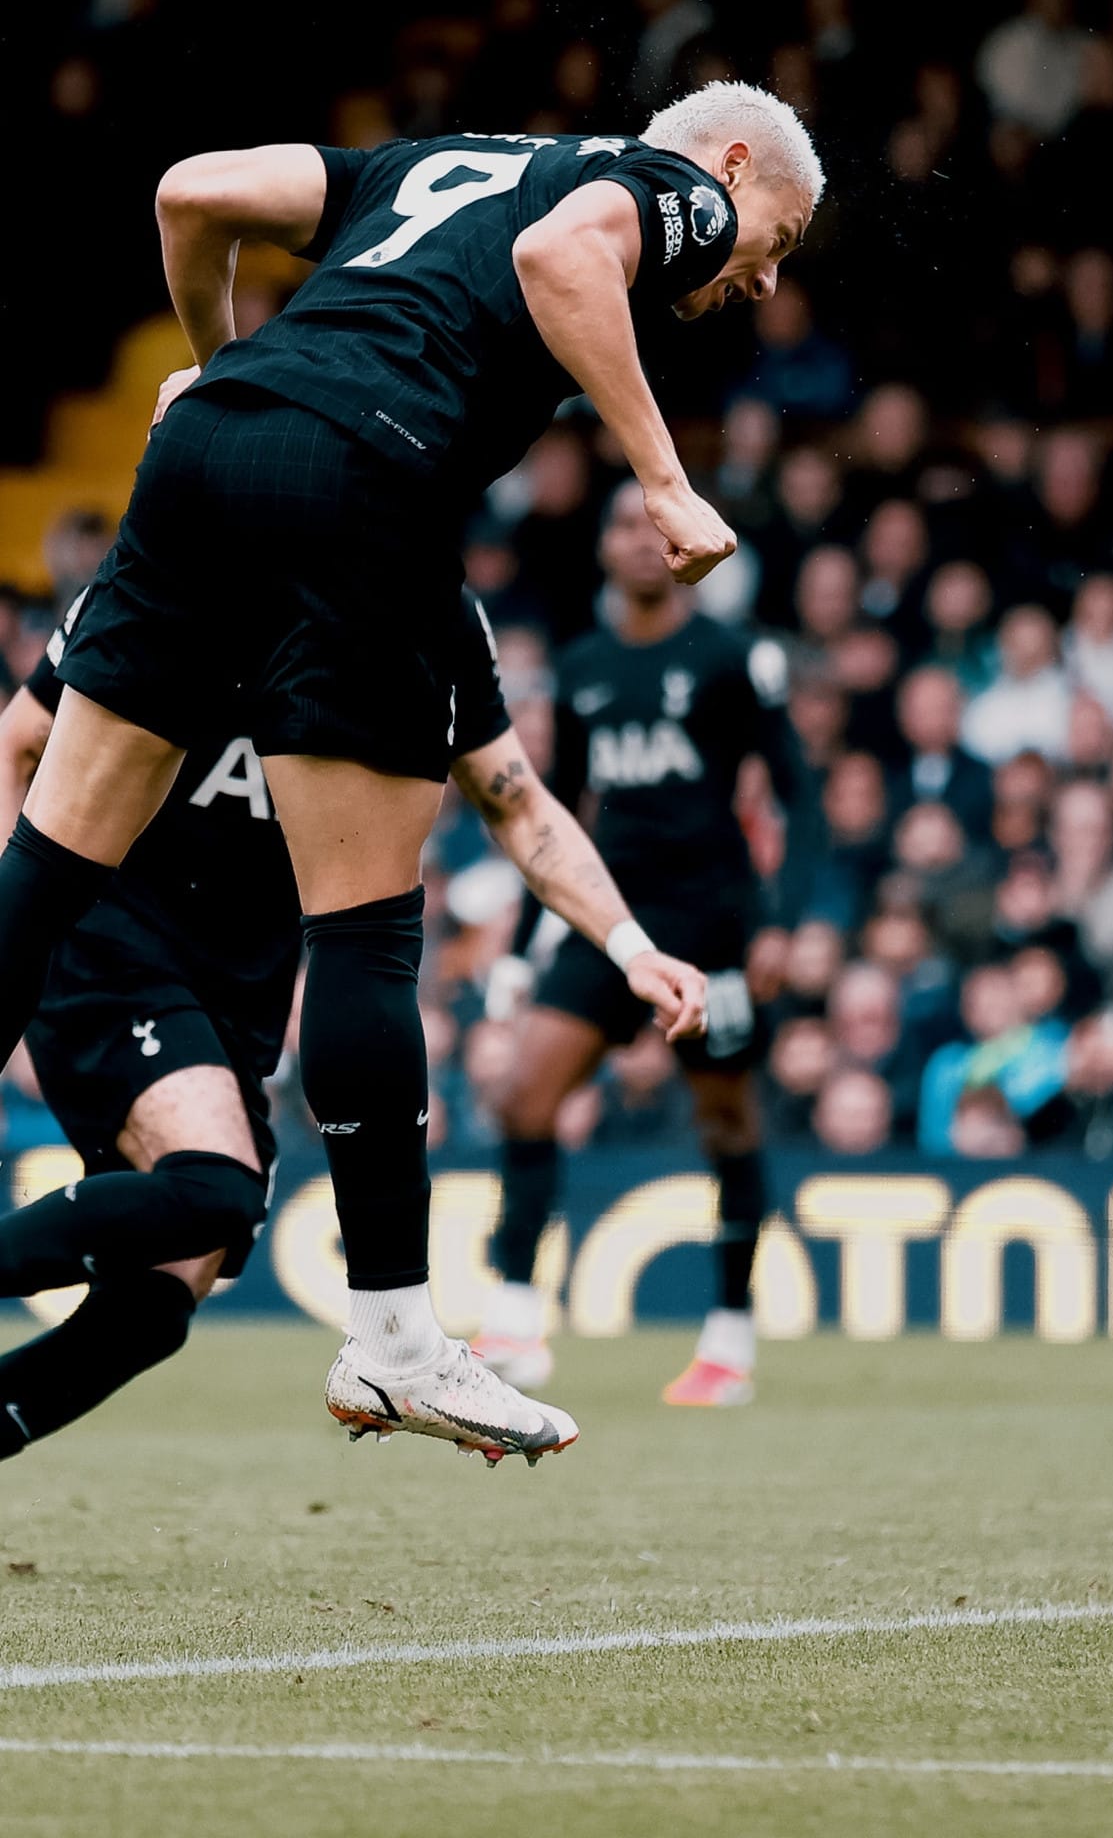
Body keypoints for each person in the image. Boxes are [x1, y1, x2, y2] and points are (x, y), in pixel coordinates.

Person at [0, 81, 822, 1457]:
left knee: (44, 861)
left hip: (205, 453)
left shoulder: (431, 159)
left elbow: (190, 184)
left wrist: (219, 360)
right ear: (730, 165)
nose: (763, 269)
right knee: (368, 929)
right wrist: (667, 479)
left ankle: (390, 1340)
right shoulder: (662, 187)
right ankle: (392, 1342)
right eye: (776, 232)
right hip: (363, 484)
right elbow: (563, 258)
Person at [0, 592, 708, 1466]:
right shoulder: (185, 562)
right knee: (216, 1189)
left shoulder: (438, 614)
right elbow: (16, 743)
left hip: (237, 992)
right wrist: (25, 947)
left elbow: (518, 806)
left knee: (163, 1291)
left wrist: (629, 945)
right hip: (110, 943)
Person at [476, 481, 818, 1406]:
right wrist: (518, 946)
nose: (638, 540)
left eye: (651, 525)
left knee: (724, 1124)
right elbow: (551, 818)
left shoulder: (732, 657)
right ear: (601, 548)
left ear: (682, 546)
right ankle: (513, 1321)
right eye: (621, 524)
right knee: (524, 1095)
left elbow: (798, 791)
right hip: (611, 925)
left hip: (712, 930)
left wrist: (783, 920)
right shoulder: (582, 667)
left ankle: (729, 1341)